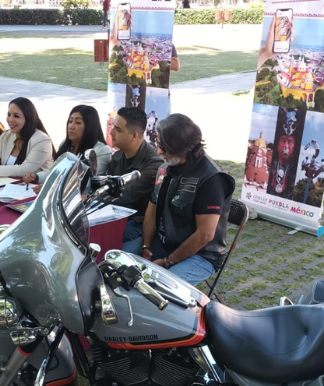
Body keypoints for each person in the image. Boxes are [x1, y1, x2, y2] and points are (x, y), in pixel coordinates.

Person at [122, 114, 235, 285]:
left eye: (163, 147)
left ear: (181, 147)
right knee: (116, 262)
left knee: (157, 288)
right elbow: (151, 210)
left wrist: (168, 262)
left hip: (201, 254)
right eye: (158, 144)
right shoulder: (166, 168)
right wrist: (146, 245)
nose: (159, 151)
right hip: (165, 242)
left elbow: (205, 234)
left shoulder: (211, 179)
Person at [107, 107, 164, 242]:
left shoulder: (154, 163)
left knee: (112, 236)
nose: (112, 132)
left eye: (118, 129)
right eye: (113, 127)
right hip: (117, 214)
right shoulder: (117, 157)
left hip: (139, 221)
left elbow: (126, 195)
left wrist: (94, 196)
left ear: (134, 135)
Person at [24, 104, 112, 186]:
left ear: (90, 126)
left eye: (77, 123)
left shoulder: (102, 150)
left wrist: (53, 187)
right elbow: (54, 171)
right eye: (70, 121)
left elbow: (90, 182)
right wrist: (35, 176)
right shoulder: (65, 145)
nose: (71, 126)